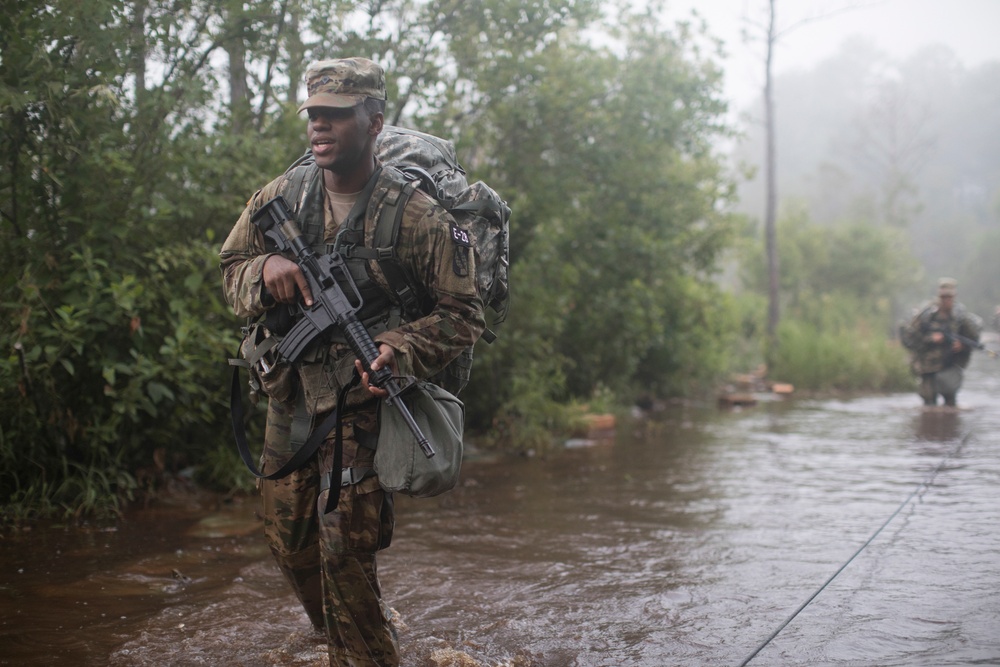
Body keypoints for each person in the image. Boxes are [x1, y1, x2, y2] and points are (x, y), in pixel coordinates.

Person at [219, 57, 485, 666]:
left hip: (364, 401)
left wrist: (400, 347)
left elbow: (464, 315)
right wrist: (265, 270)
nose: (320, 126)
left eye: (336, 116)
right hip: (290, 391)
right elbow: (230, 274)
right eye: (314, 114)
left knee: (345, 545)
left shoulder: (415, 216)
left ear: (374, 122)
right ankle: (333, 631)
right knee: (289, 540)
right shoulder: (280, 197)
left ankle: (365, 653)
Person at [900, 278, 982, 407]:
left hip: (950, 366)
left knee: (950, 404)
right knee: (929, 404)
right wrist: (931, 339)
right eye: (943, 297)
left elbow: (973, 340)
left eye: (949, 297)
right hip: (927, 367)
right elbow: (911, 338)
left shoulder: (960, 317)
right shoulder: (926, 316)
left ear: (954, 297)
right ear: (939, 297)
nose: (946, 300)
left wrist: (962, 346)